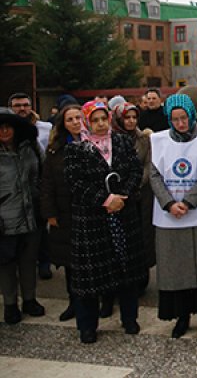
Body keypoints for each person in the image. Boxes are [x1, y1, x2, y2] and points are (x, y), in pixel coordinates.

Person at [64, 100, 147, 344]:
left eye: (103, 119)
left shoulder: (121, 142)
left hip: (123, 215)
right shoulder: (77, 149)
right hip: (92, 220)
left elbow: (135, 171)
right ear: (87, 122)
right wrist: (105, 199)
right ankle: (87, 326)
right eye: (95, 120)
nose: (100, 124)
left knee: (127, 272)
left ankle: (129, 319)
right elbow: (75, 183)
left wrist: (123, 197)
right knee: (91, 278)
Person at [149, 94, 197, 338]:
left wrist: (189, 202)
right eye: (175, 119)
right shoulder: (158, 141)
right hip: (169, 216)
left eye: (184, 118)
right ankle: (181, 316)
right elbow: (154, 175)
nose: (181, 123)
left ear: (192, 116)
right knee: (175, 269)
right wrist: (169, 203)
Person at [0, 107, 44, 324]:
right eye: (0, 127)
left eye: (9, 126)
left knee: (28, 261)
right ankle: (10, 303)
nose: (5, 131)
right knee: (7, 264)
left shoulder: (30, 149)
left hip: (30, 214)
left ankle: (30, 299)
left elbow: (41, 174)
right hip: (4, 219)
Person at [41, 105, 84, 322]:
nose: (76, 122)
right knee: (70, 262)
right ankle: (73, 302)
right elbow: (47, 183)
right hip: (65, 212)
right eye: (70, 119)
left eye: (79, 117)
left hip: (89, 211)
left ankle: (94, 303)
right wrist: (49, 212)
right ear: (63, 124)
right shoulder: (55, 150)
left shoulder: (94, 144)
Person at [111, 102, 155, 293]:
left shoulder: (144, 138)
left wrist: (136, 182)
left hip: (141, 194)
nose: (130, 121)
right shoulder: (112, 139)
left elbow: (149, 164)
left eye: (134, 117)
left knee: (142, 237)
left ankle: (141, 278)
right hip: (119, 195)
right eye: (127, 117)